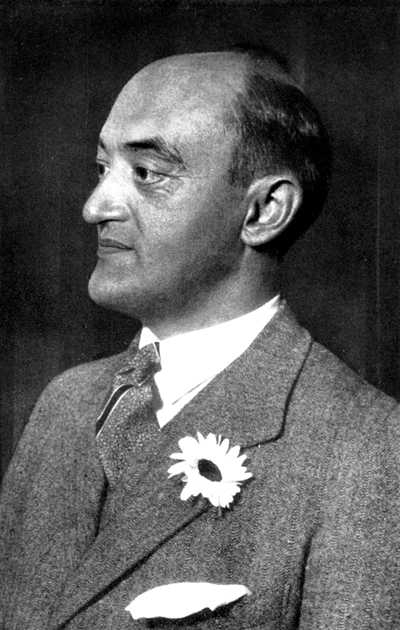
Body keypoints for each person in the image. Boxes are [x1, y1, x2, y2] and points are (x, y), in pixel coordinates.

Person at [1, 47, 399, 630]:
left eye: (148, 173)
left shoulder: (367, 450)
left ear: (264, 211)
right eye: (102, 168)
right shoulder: (66, 404)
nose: (94, 207)